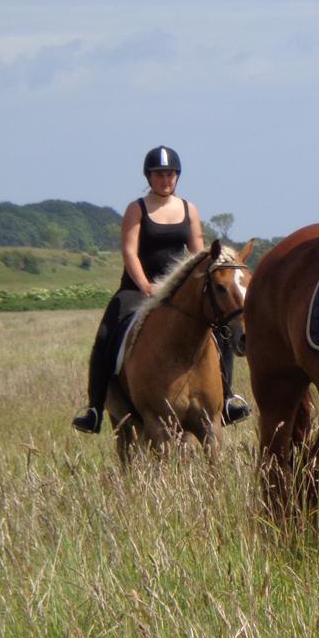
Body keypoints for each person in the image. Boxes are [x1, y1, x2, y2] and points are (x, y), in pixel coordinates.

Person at [71, 146, 250, 433]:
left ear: (177, 176)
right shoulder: (137, 209)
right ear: (149, 176)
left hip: (179, 289)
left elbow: (197, 253)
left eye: (170, 174)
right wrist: (144, 285)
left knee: (221, 328)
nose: (165, 179)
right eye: (159, 174)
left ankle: (228, 400)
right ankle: (94, 409)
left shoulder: (188, 209)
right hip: (139, 288)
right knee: (106, 334)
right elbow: (130, 252)